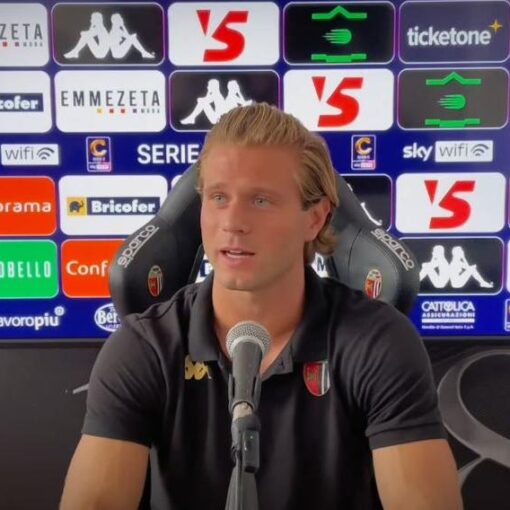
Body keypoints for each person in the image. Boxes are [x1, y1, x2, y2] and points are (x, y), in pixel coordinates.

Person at [60, 103, 463, 509]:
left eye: (260, 201)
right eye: (218, 197)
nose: (232, 221)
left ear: (315, 219)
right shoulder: (145, 346)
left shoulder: (378, 343)